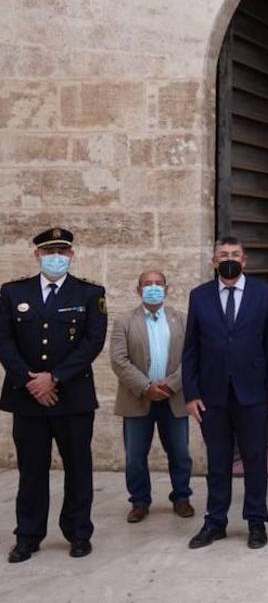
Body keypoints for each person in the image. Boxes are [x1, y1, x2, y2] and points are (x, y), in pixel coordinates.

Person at [0, 228, 107, 563]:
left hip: (73, 398)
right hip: (27, 397)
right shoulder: (12, 292)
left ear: (71, 255)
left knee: (78, 468)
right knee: (31, 470)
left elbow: (93, 342)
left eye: (62, 251)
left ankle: (78, 533)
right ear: (37, 255)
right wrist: (30, 380)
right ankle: (28, 536)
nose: (56, 257)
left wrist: (55, 378)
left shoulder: (90, 293)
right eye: (49, 252)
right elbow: (4, 341)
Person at [183, 236, 268, 550]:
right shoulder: (199, 296)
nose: (229, 258)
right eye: (223, 254)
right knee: (218, 461)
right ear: (214, 261)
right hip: (211, 395)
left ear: (245, 260)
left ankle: (256, 521)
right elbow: (191, 349)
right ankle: (215, 521)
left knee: (255, 459)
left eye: (235, 254)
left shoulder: (264, 294)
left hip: (253, 393)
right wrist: (191, 393)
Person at [109, 269, 194, 523]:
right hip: (137, 398)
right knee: (135, 455)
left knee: (180, 452)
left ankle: (181, 497)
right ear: (138, 290)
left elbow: (191, 357)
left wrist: (170, 385)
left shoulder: (182, 320)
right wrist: (146, 386)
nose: (153, 287)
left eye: (158, 284)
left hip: (173, 398)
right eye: (148, 284)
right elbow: (118, 360)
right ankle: (139, 501)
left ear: (167, 289)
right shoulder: (124, 321)